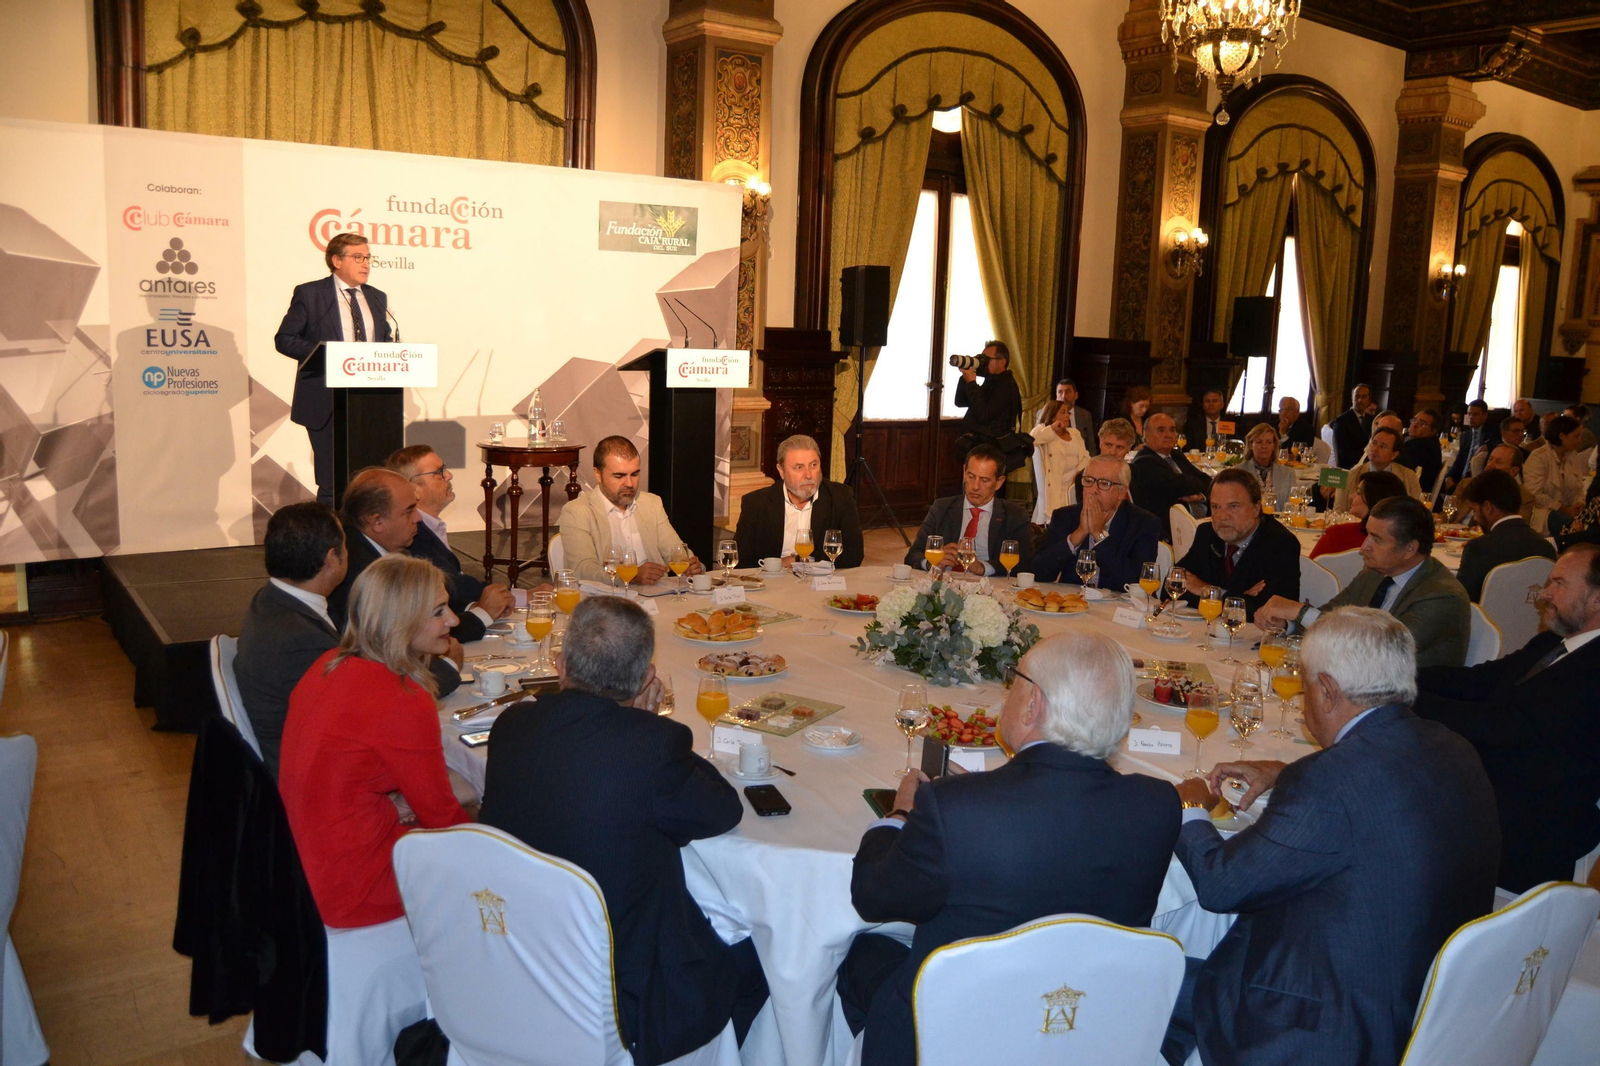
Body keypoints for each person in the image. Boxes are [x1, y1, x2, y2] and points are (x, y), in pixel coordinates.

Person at [1163, 608, 1499, 1066]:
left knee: (1128, 971)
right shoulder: (1454, 748)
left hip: (1322, 1029)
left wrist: (1190, 808)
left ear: (1326, 691)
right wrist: (1287, 773)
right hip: (1423, 1009)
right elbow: (1377, 793)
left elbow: (1221, 886)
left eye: (1305, 686)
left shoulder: (1330, 783)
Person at [840, 632, 1180, 1066]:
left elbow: (872, 897)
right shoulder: (1158, 805)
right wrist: (979, 794)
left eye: (1013, 680)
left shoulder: (955, 809)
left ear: (1033, 704)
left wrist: (901, 813)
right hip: (1084, 1035)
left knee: (854, 951)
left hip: (952, 1040)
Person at [478, 597, 767, 1064]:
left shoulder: (512, 724)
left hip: (516, 951)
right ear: (646, 678)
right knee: (759, 963)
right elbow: (722, 811)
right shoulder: (652, 745)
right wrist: (647, 725)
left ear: (560, 665)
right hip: (623, 991)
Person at [278, 555, 474, 930]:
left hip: (303, 861)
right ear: (401, 621)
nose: (453, 620)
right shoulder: (402, 697)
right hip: (354, 885)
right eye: (438, 612)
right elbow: (442, 817)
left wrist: (392, 804)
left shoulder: (329, 663)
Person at [1414, 545, 1600, 892]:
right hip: (1489, 785)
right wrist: (1401, 675)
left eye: (1559, 583)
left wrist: (1403, 696)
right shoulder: (1553, 643)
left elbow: (1499, 726)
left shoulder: (1592, 671)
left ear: (1597, 600)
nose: (1544, 594)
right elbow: (1478, 681)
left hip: (1530, 825)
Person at [235, 502, 460, 778]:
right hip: (318, 776)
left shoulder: (272, 601)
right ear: (332, 558)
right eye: (345, 544)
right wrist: (448, 666)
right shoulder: (301, 640)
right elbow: (380, 711)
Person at [1255, 496, 1471, 669]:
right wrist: (1287, 625)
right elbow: (1330, 616)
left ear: (1410, 549)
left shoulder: (1442, 596)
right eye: (1367, 535)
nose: (1364, 547)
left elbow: (1380, 650)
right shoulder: (1374, 573)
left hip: (1411, 700)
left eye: (1376, 539)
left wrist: (1301, 612)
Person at [273, 234, 393, 505]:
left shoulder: (376, 297)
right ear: (337, 260)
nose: (366, 263)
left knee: (370, 482)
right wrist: (329, 354)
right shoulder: (311, 294)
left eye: (368, 257)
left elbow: (384, 340)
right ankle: (329, 532)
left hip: (370, 403)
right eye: (358, 257)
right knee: (332, 481)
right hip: (325, 400)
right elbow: (285, 339)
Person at [329, 469, 488, 646]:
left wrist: (472, 607)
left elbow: (425, 603)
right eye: (409, 511)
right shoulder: (359, 568)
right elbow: (402, 637)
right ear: (377, 522)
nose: (418, 517)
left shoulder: (381, 545)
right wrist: (482, 614)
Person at [386, 445, 515, 626]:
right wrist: (507, 598)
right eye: (438, 472)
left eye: (444, 469)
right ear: (414, 489)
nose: (449, 475)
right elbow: (452, 586)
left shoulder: (430, 526)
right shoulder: (413, 536)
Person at [560, 435, 705, 583]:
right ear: (598, 474)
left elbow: (675, 552)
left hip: (656, 593)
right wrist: (630, 575)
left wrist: (692, 566)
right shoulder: (577, 511)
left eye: (635, 474)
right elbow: (582, 569)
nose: (629, 483)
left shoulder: (651, 503)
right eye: (619, 476)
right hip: (605, 595)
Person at [1177, 467, 1301, 621]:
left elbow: (1273, 612)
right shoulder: (1207, 534)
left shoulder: (1280, 544)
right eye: (1216, 507)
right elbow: (1173, 587)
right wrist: (1241, 598)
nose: (1222, 516)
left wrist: (1205, 590)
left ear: (1256, 508)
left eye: (1233, 506)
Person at [1026, 456, 1160, 587]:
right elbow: (1037, 573)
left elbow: (1136, 582)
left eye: (1104, 483)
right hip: (1073, 599)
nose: (1093, 490)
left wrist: (1098, 535)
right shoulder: (1064, 516)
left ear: (1121, 491)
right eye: (1088, 481)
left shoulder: (1144, 524)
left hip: (1117, 601)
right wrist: (1078, 534)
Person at [735, 433, 864, 569]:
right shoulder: (756, 503)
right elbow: (741, 560)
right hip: (773, 578)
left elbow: (854, 555)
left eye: (813, 465)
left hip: (820, 578)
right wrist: (777, 565)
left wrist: (798, 560)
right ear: (781, 471)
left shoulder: (840, 497)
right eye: (799, 467)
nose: (808, 475)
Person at [905, 445, 1033, 575]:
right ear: (964, 472)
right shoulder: (941, 507)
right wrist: (932, 563)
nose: (975, 486)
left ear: (999, 482)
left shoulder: (1015, 515)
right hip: (947, 579)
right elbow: (913, 555)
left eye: (984, 480)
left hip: (990, 582)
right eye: (971, 476)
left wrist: (982, 567)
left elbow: (1024, 564)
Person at [1454, 468, 1557, 602]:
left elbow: (1461, 602)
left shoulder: (1479, 548)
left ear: (1487, 507)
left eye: (1475, 510)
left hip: (1488, 616)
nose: (1475, 518)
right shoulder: (1545, 548)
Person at [1130, 413, 1210, 541]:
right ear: (1146, 435)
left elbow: (1207, 480)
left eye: (1172, 430)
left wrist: (1200, 496)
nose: (1168, 435)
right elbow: (1181, 485)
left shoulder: (1176, 455)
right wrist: (1196, 484)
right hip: (1171, 531)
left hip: (1201, 521)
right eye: (1161, 430)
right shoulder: (1144, 462)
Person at [951, 340, 1023, 465]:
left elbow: (984, 415)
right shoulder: (991, 381)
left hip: (992, 451)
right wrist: (965, 379)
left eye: (987, 359)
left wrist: (972, 384)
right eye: (981, 357)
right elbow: (960, 402)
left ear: (1002, 362)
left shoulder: (1006, 386)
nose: (983, 362)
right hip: (978, 446)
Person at [1308, 469, 1407, 559]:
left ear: (1373, 499)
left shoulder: (1338, 536)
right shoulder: (1401, 544)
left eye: (1359, 493)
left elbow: (1310, 568)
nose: (1351, 496)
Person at [1329, 425, 1424, 512]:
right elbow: (1338, 512)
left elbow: (1416, 511)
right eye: (1374, 443)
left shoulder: (1409, 476)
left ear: (1394, 455)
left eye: (1382, 446)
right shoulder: (1351, 476)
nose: (1375, 449)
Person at [1027, 400, 1091, 523]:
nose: (1067, 416)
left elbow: (1086, 456)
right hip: (1056, 484)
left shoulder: (1075, 433)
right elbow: (1032, 438)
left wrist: (1078, 474)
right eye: (1063, 412)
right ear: (1052, 415)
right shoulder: (1045, 433)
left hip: (1075, 483)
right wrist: (1052, 427)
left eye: (1068, 413)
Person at [1523, 414, 1587, 534]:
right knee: (1574, 528)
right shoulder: (1538, 457)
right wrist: (1563, 509)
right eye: (1576, 436)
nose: (1579, 441)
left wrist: (1579, 503)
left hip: (1569, 511)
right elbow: (1534, 494)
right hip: (1543, 513)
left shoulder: (1572, 455)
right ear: (1562, 436)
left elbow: (1578, 487)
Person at [1450, 442, 1534, 522]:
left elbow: (1514, 529)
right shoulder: (1466, 484)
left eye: (1498, 462)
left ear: (1513, 471)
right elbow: (1448, 513)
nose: (1490, 465)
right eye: (1490, 459)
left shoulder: (1524, 499)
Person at [1239, 422, 1295, 506]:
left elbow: (1292, 505)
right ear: (1250, 445)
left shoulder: (1288, 473)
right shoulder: (1238, 472)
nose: (1264, 446)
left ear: (1274, 445)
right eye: (1259, 442)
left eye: (1269, 442)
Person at [1443, 399, 1490, 494]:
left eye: (1475, 414)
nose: (1471, 417)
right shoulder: (1465, 436)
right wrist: (1449, 476)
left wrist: (1488, 446)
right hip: (1462, 479)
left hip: (1481, 480)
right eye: (1469, 414)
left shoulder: (1492, 434)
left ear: (1485, 415)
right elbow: (1460, 458)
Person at [1330, 383, 1377, 469]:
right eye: (1357, 396)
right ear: (1352, 398)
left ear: (1369, 400)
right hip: (1350, 466)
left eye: (1364, 397)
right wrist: (1367, 461)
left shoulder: (1370, 420)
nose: (1359, 400)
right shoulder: (1341, 421)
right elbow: (1344, 452)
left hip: (1368, 462)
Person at [1398, 407, 1444, 493]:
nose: (1414, 425)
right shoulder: (1411, 438)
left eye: (1422, 423)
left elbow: (1398, 466)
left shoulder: (1421, 446)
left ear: (1433, 431)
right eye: (1414, 420)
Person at [1050, 377, 1097, 453]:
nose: (1063, 396)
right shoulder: (1047, 413)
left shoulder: (1085, 415)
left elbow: (1091, 446)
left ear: (1076, 395)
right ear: (1056, 395)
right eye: (1060, 392)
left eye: (1068, 392)